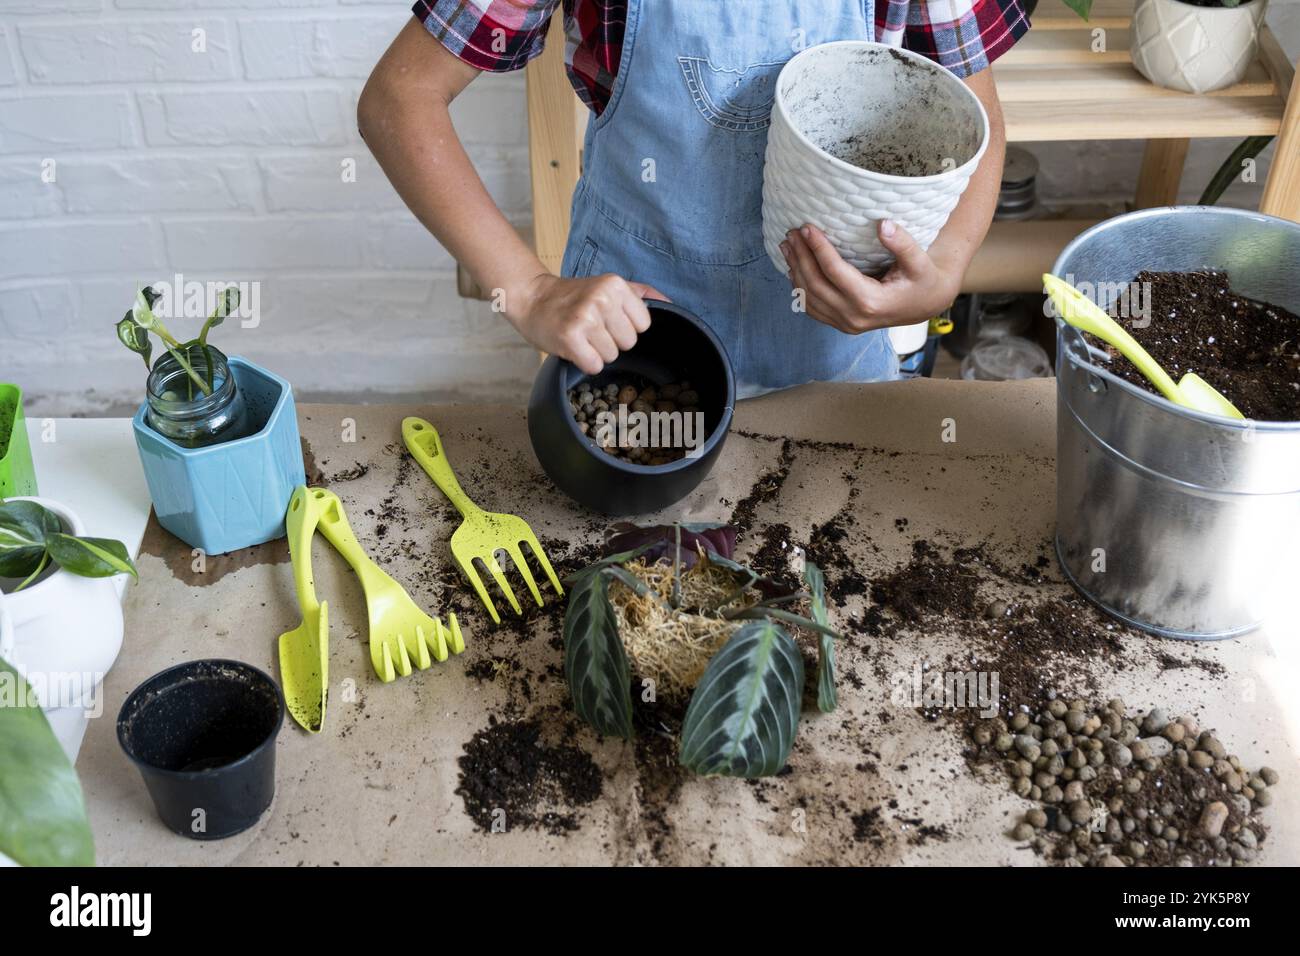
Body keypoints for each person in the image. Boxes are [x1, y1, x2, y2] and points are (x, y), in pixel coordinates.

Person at [361, 0, 1028, 396]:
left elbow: (978, 117)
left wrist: (944, 271)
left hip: (831, 347)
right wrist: (529, 292)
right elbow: (401, 97)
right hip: (631, 332)